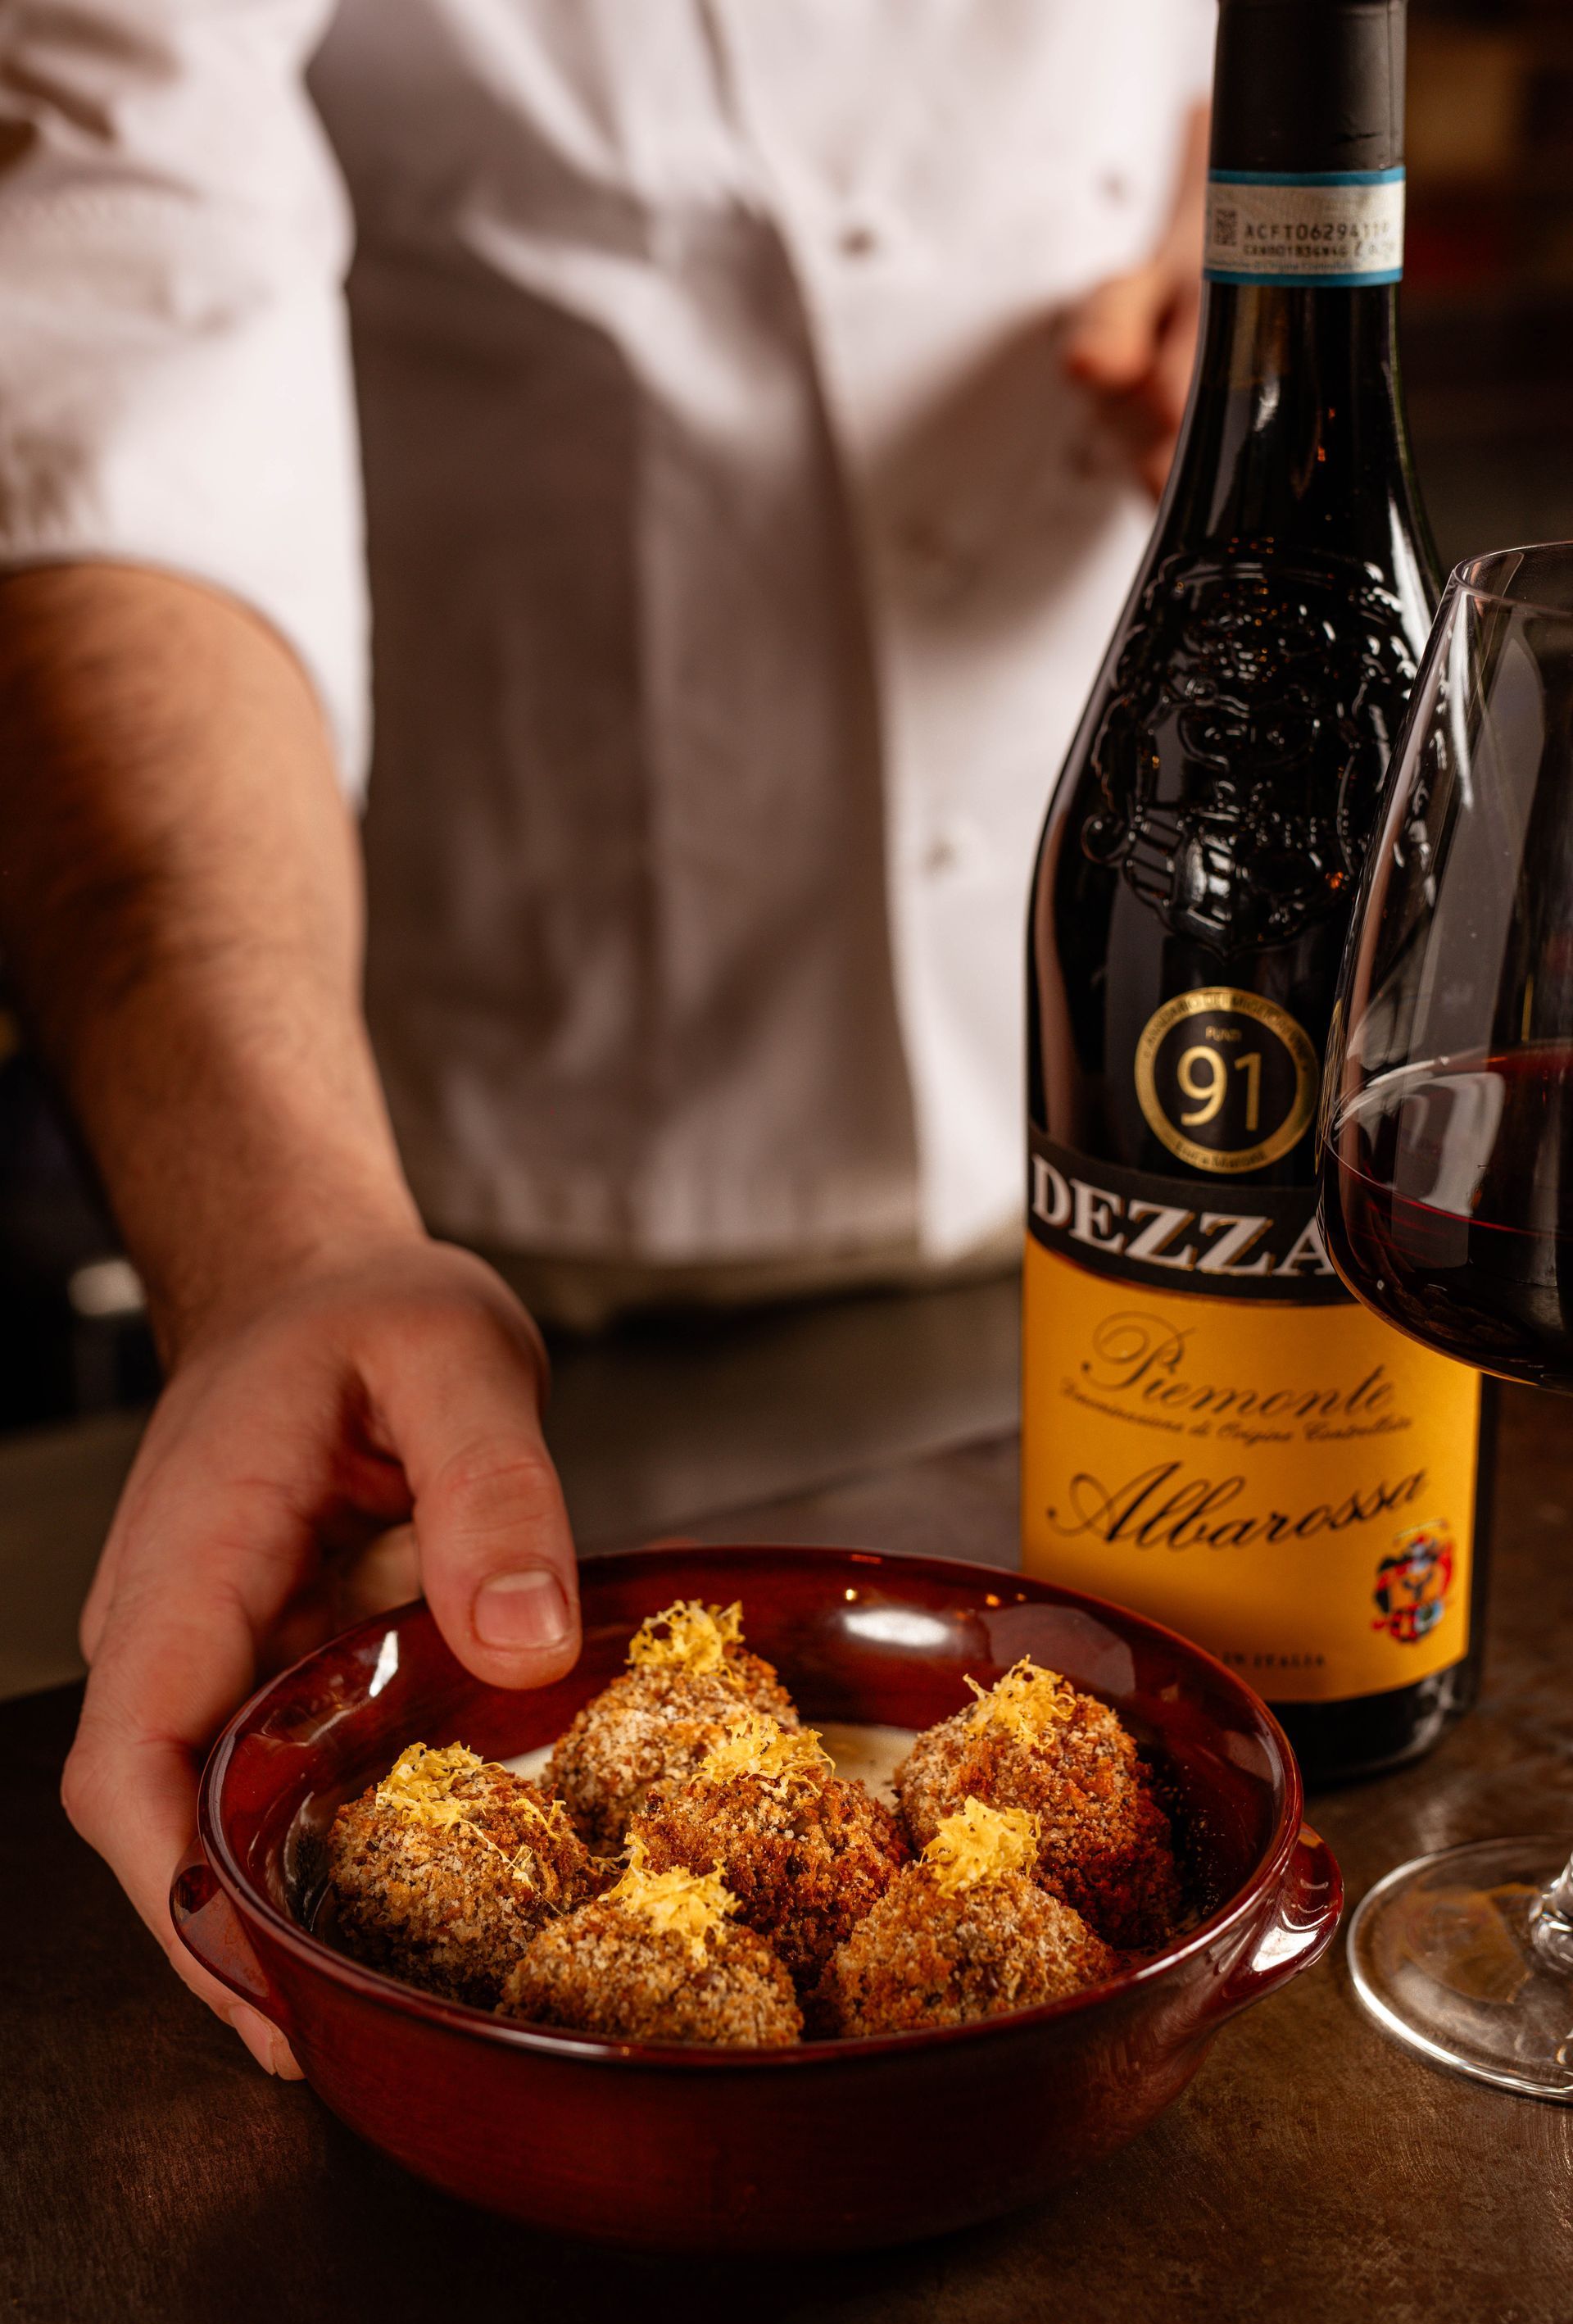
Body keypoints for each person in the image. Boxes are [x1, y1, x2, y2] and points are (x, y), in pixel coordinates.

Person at [0, 0, 1210, 2074]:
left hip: (1118, 1202)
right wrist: (288, 1247)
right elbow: (104, 359)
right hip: (483, 1298)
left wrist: (1237, 222)